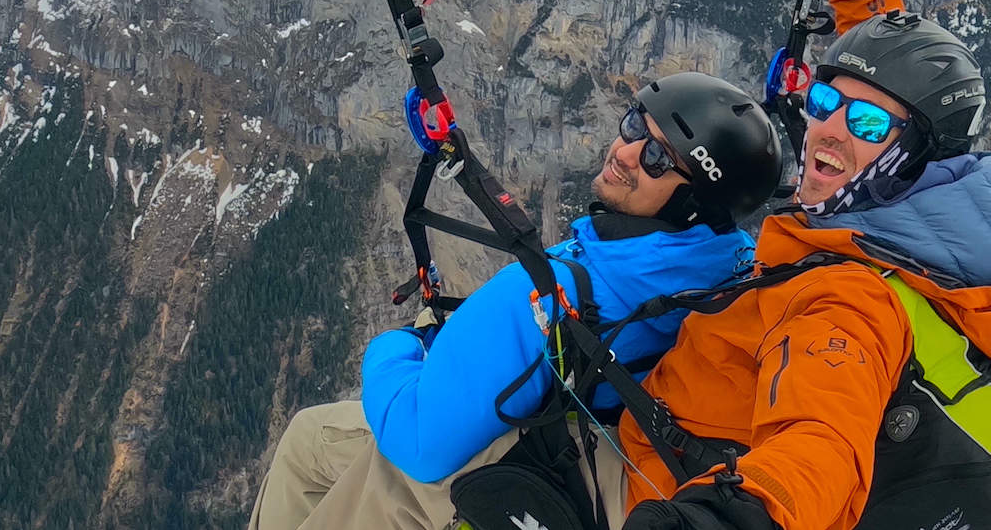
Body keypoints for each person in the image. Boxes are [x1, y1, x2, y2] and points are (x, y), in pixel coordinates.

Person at [610, 0, 991, 530]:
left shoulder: (844, 299)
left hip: (656, 481)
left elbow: (822, 443)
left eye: (862, 126)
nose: (825, 128)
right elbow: (896, 73)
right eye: (825, 102)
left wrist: (734, 518)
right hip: (678, 429)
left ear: (910, 155)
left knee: (392, 463)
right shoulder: (925, 212)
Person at [250, 72, 784, 530]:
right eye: (633, 126)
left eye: (655, 158)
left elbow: (419, 440)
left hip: (552, 462)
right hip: (618, 439)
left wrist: (398, 344)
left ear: (695, 201)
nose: (624, 153)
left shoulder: (553, 292)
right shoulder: (735, 259)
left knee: (378, 465)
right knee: (309, 439)